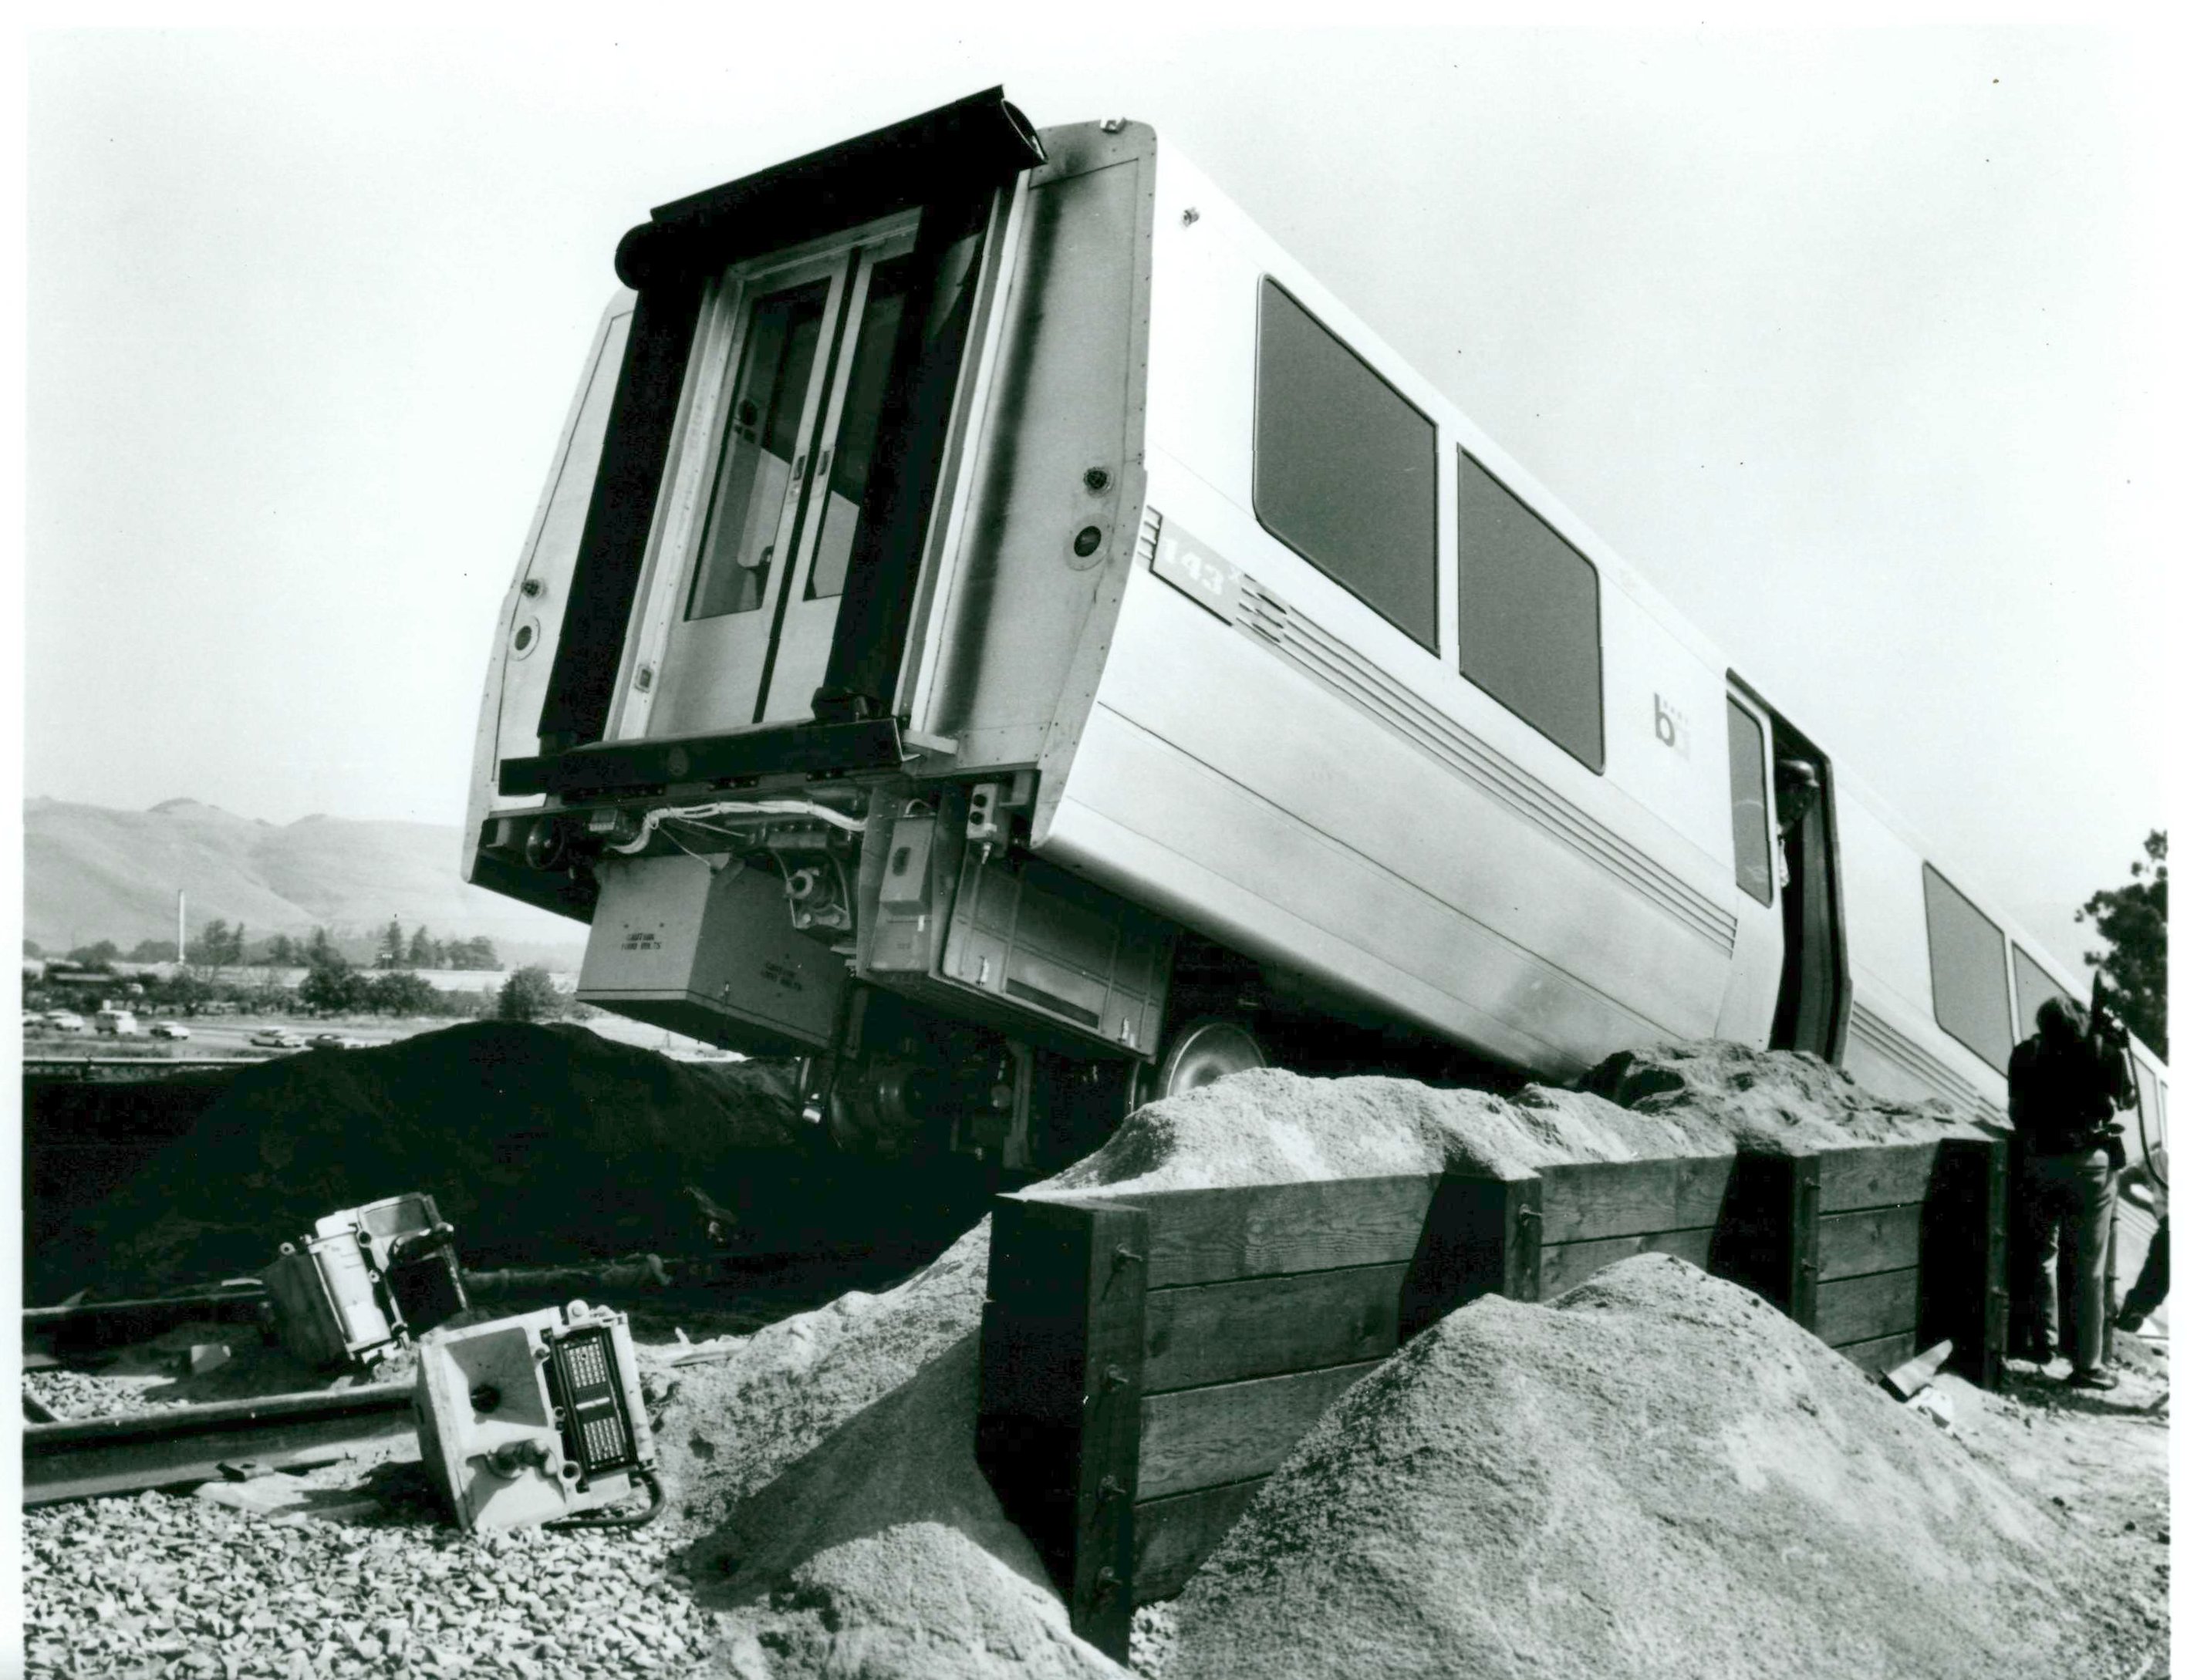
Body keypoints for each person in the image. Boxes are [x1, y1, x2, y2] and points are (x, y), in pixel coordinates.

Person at [2008, 995, 2132, 1388]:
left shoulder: (2026, 1052)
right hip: (2088, 1162)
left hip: (2038, 1160)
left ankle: (2042, 1343)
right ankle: (2087, 1365)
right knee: (2088, 1269)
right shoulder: (2104, 1050)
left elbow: (2015, 1110)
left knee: (2043, 1252)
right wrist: (2119, 1050)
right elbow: (2128, 1101)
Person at [2114, 1139, 2168, 1334]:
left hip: (2169, 1226)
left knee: (2154, 1281)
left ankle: (2132, 1316)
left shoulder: (2157, 1156)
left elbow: (2120, 1182)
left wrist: (2151, 1207)